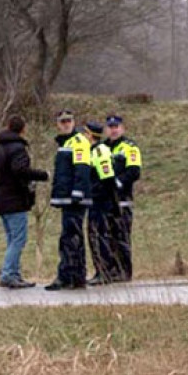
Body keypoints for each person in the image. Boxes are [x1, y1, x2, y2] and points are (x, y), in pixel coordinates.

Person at [0, 114, 50, 289]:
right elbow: (21, 170)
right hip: (14, 200)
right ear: (23, 129)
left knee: (11, 238)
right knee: (19, 239)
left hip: (0, 199)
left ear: (8, 126)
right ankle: (8, 274)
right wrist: (42, 175)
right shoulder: (18, 149)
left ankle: (14, 274)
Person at [45, 108, 92, 291]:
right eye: (62, 122)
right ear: (57, 124)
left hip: (74, 199)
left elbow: (82, 167)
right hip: (67, 197)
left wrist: (77, 192)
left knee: (69, 237)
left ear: (74, 122)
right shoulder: (66, 142)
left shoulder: (78, 141)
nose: (66, 124)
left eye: (69, 121)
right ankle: (77, 276)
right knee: (74, 236)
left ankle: (67, 276)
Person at [81, 121, 122, 286]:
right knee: (95, 235)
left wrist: (104, 197)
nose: (83, 136)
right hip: (95, 200)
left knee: (99, 235)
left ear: (91, 135)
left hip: (100, 200)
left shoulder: (100, 151)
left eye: (85, 133)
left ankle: (104, 271)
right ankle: (101, 270)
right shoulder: (93, 150)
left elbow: (106, 177)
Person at [104, 113, 142, 282]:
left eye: (116, 127)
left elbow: (134, 171)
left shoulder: (130, 147)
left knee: (122, 237)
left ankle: (124, 272)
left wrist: (119, 183)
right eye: (110, 127)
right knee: (107, 237)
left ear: (122, 128)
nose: (113, 130)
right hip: (106, 200)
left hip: (122, 199)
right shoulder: (102, 147)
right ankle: (110, 270)